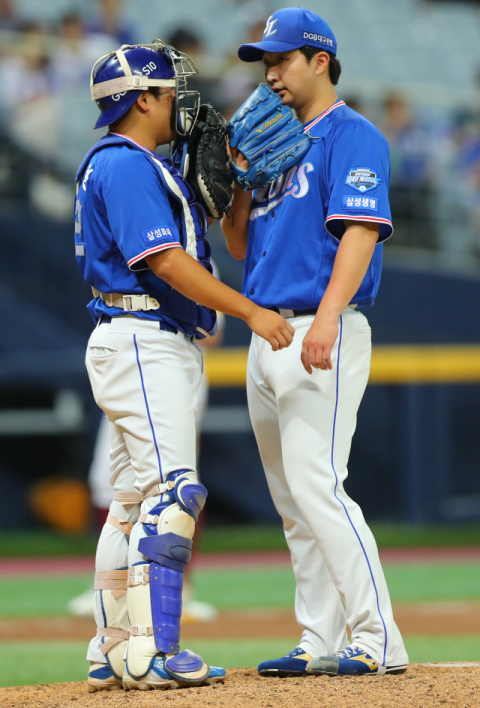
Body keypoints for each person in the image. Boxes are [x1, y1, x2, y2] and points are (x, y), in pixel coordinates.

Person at [75, 39, 294, 693]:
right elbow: (165, 262)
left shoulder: (135, 163)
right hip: (143, 337)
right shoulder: (125, 164)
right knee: (173, 495)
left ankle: (113, 644)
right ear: (143, 99)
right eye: (170, 93)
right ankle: (154, 651)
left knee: (131, 503)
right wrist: (252, 311)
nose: (181, 104)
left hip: (136, 333)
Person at [222, 7, 409, 678]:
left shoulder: (351, 135)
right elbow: (239, 246)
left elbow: (359, 232)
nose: (269, 73)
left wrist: (328, 316)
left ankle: (378, 637)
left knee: (318, 484)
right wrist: (237, 182)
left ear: (319, 61)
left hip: (317, 326)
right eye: (264, 62)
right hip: (265, 329)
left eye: (281, 59)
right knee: (292, 500)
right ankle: (318, 637)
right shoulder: (273, 143)